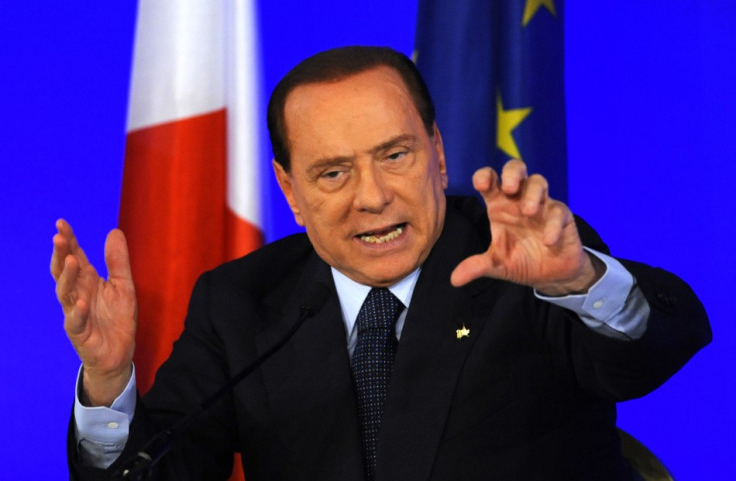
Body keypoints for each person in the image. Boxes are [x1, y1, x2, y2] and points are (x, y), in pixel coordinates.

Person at [52, 46, 711, 480]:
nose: (372, 197)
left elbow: (654, 350)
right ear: (291, 191)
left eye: (395, 155)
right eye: (333, 172)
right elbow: (153, 471)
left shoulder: (522, 256)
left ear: (439, 154)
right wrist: (108, 380)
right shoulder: (240, 300)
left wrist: (580, 283)